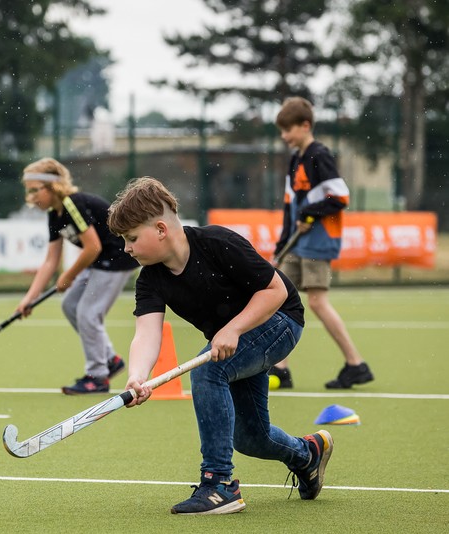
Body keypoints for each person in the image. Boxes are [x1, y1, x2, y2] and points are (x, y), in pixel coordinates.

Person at [107, 176, 332, 515]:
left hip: (281, 322)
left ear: (161, 229)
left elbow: (276, 292)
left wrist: (233, 328)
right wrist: (138, 375)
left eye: (132, 238)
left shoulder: (217, 242)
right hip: (235, 341)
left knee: (209, 372)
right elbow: (147, 333)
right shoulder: (151, 278)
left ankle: (218, 485)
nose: (127, 248)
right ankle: (307, 454)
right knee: (251, 438)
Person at [269, 97, 374, 390]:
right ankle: (280, 369)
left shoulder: (320, 155)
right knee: (278, 300)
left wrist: (310, 214)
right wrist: (280, 245)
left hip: (319, 241)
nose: (284, 136)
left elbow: (340, 197)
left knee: (316, 302)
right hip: (296, 241)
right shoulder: (295, 159)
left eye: (287, 129)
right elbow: (290, 205)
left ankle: (355, 364)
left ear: (305, 126)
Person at [18, 158, 138, 395]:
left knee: (88, 313)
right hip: (98, 261)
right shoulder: (55, 214)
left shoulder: (73, 203)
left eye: (35, 190)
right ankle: (109, 359)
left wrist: (68, 276)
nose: (31, 197)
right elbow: (51, 260)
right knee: (71, 305)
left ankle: (97, 377)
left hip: (116, 258)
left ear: (52, 187)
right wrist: (29, 298)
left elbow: (92, 246)